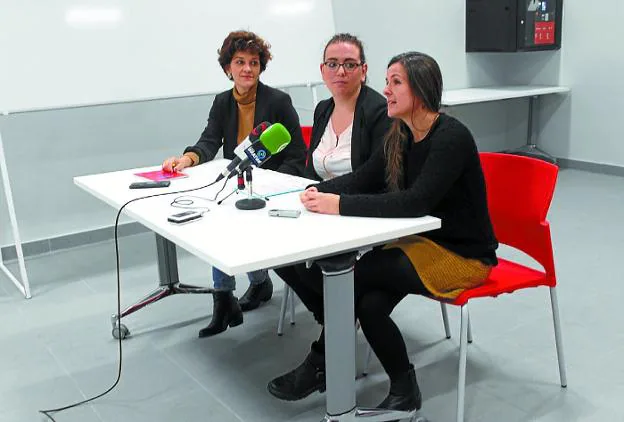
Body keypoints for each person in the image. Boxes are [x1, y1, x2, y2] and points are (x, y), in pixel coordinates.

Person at [266, 52, 498, 414]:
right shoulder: (400, 134)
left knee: (350, 277)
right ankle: (405, 391)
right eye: (387, 82)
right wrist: (318, 193)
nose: (386, 90)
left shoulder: (451, 137)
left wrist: (338, 205)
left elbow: (413, 203)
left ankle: (320, 362)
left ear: (420, 90)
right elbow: (363, 178)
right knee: (368, 304)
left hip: (461, 256)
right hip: (420, 244)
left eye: (396, 82)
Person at [162, 30, 306, 338]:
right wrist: (188, 158)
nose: (247, 69)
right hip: (241, 181)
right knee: (217, 220)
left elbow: (297, 155)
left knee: (232, 223)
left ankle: (252, 286)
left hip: (274, 187)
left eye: (254, 62)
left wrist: (273, 182)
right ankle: (226, 298)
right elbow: (210, 139)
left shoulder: (279, 101)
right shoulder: (222, 102)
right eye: (240, 62)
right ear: (228, 67)